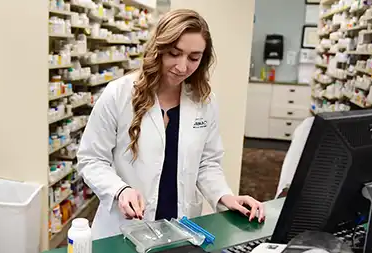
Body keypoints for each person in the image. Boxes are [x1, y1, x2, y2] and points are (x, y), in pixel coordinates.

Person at [77, 9, 265, 240]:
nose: (182, 67)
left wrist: (225, 196)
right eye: (174, 54)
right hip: (125, 227)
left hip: (180, 227)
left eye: (194, 58)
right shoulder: (119, 94)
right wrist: (120, 190)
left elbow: (207, 163)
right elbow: (91, 159)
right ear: (159, 49)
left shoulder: (203, 101)